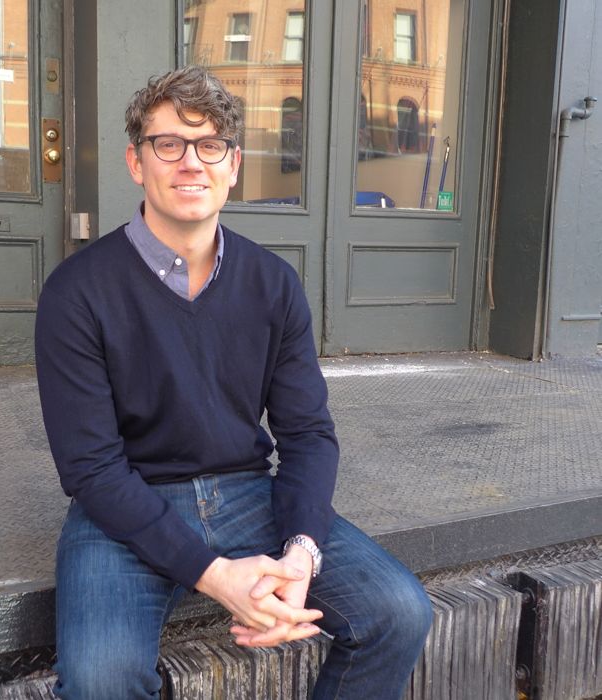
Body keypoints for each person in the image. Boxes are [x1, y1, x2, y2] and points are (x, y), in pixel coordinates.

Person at [35, 65, 432, 700]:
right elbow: (91, 469)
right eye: (169, 144)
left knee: (399, 612)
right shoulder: (76, 292)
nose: (191, 162)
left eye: (210, 145)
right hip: (125, 504)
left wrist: (301, 552)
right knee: (101, 679)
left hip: (248, 493)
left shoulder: (273, 283)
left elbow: (308, 433)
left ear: (234, 164)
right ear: (136, 162)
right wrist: (216, 576)